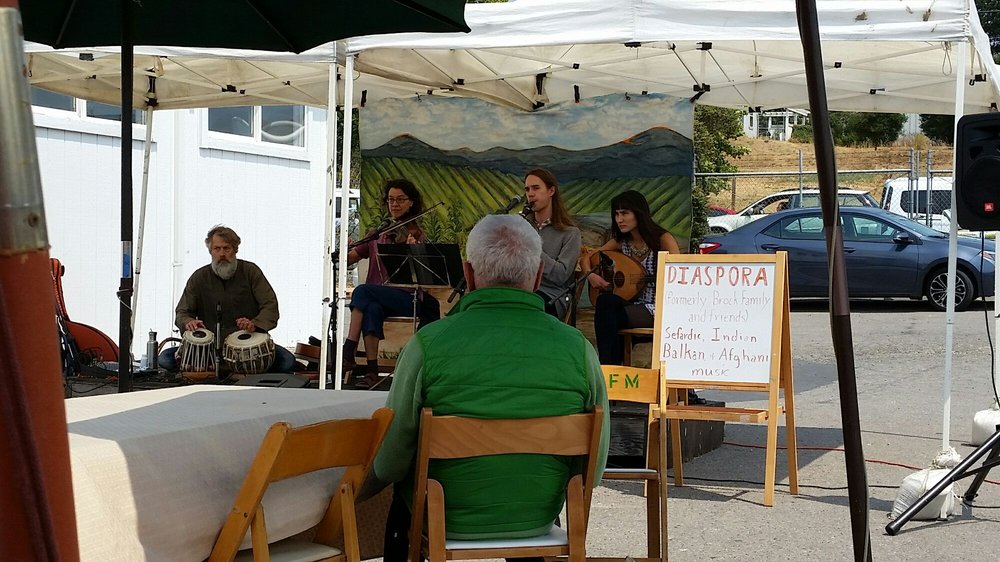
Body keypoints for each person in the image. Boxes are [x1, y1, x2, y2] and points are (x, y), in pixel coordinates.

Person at [361, 215, 609, 561]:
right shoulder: (578, 349)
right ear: (538, 275)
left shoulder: (428, 344)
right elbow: (593, 469)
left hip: (441, 518)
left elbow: (392, 459)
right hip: (535, 520)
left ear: (468, 273)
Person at [342, 178, 439, 388]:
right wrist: (343, 249)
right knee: (372, 308)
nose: (394, 204)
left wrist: (414, 250)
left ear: (411, 202)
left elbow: (424, 274)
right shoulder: (378, 234)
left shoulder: (416, 234)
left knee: (362, 291)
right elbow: (351, 258)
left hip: (407, 297)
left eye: (400, 200)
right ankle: (371, 371)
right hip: (379, 299)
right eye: (390, 200)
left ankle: (347, 351)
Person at [159, 225, 296, 373]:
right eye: (217, 249)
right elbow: (182, 312)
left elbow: (270, 305)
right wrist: (188, 322)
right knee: (165, 359)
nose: (222, 254)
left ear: (235, 250)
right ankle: (224, 369)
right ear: (210, 251)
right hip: (209, 348)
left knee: (287, 361)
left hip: (247, 346)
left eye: (227, 248)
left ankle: (230, 370)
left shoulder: (250, 272)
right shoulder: (199, 277)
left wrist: (254, 324)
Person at [586, 190, 680, 366]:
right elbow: (588, 257)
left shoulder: (662, 239)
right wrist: (591, 275)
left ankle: (608, 369)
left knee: (609, 315)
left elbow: (679, 277)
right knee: (606, 302)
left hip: (659, 308)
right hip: (633, 306)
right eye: (616, 214)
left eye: (624, 213)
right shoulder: (622, 242)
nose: (619, 219)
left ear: (639, 213)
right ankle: (610, 369)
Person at [522, 168, 582, 320]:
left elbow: (561, 276)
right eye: (527, 189)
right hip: (520, 291)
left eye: (536, 188)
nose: (530, 194)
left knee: (524, 308)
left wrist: (532, 248)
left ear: (551, 191)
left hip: (552, 297)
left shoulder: (571, 233)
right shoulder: (521, 226)